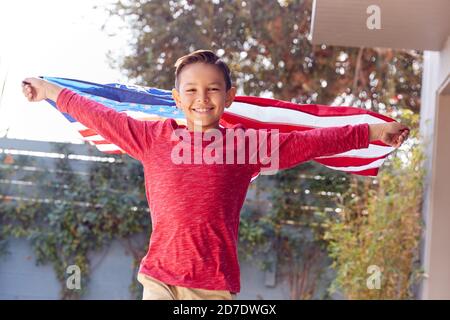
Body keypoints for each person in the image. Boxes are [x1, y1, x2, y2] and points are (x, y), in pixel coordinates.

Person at [21, 49, 409, 300]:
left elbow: (309, 142)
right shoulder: (149, 137)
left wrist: (370, 132)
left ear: (229, 97)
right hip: (158, 277)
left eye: (212, 89)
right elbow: (99, 115)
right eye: (190, 90)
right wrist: (50, 90)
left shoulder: (247, 147)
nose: (201, 98)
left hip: (210, 286)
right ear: (176, 98)